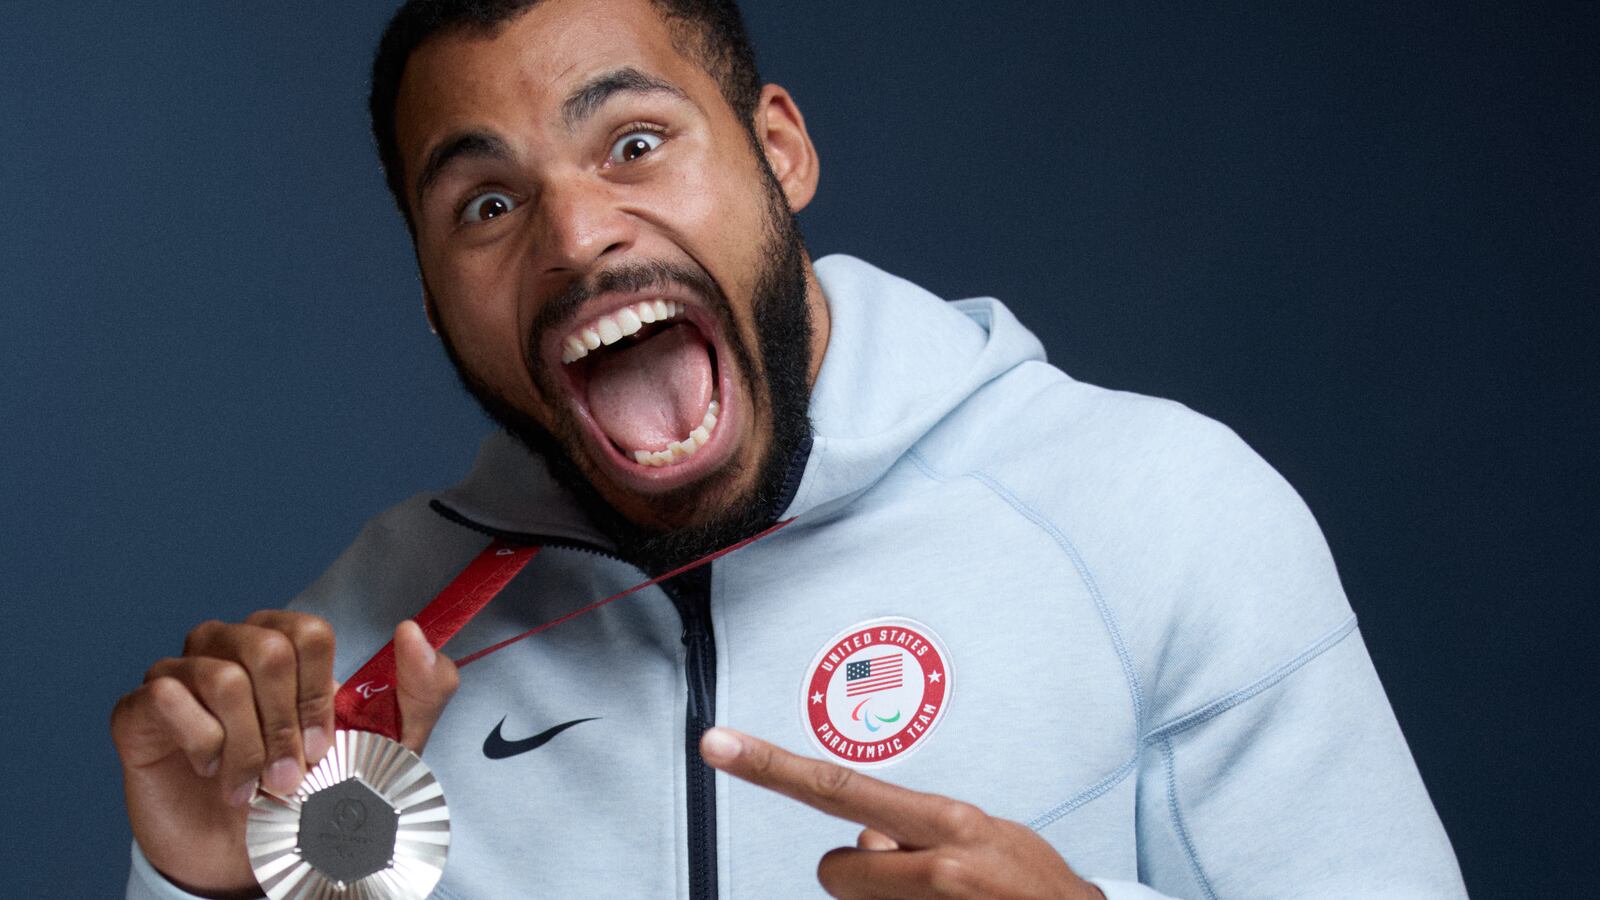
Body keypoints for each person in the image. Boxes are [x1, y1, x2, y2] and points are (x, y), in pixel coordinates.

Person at [113, 0, 1467, 897]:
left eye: (634, 141)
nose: (575, 235)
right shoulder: (342, 665)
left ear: (780, 150)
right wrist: (211, 890)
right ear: (429, 292)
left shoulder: (1159, 515)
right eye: (485, 204)